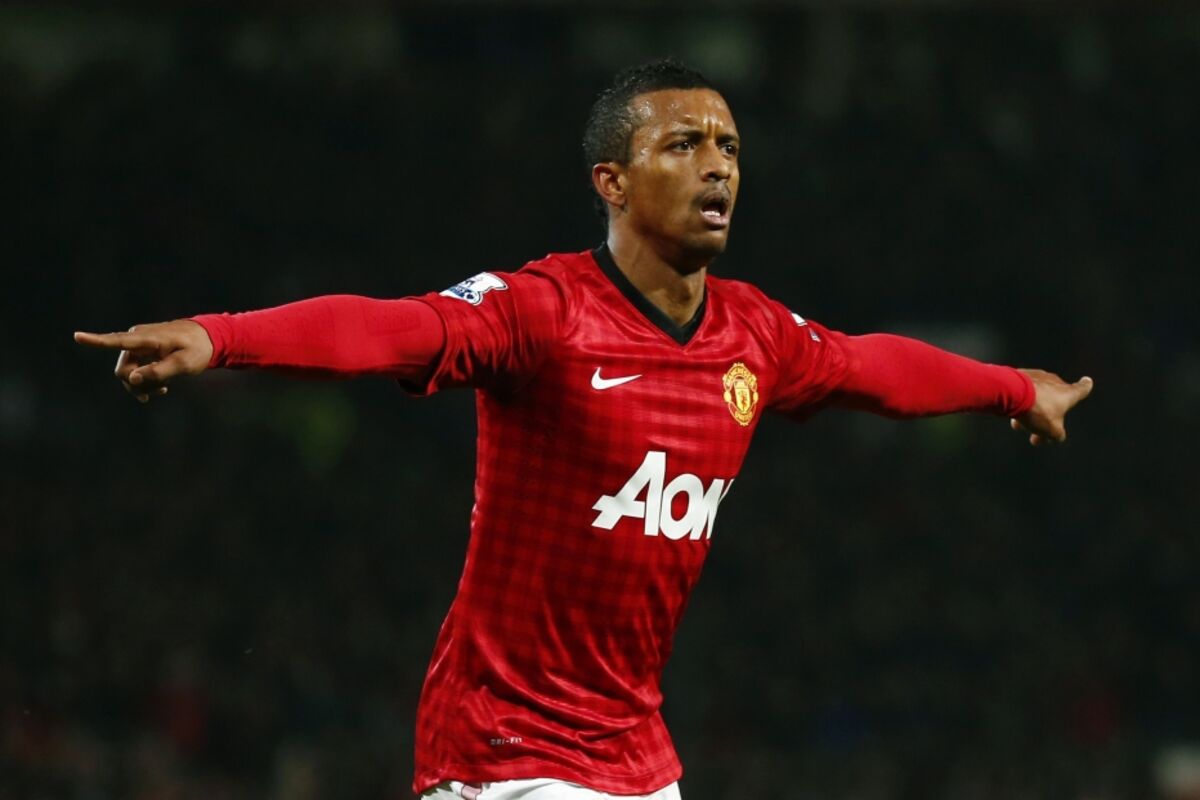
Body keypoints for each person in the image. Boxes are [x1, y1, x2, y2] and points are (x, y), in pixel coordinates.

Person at [75, 60, 1093, 800]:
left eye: (729, 147)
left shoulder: (754, 334)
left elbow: (876, 367)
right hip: (505, 751)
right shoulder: (545, 313)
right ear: (611, 181)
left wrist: (1015, 388)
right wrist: (221, 337)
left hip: (638, 756)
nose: (717, 166)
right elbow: (391, 328)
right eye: (684, 144)